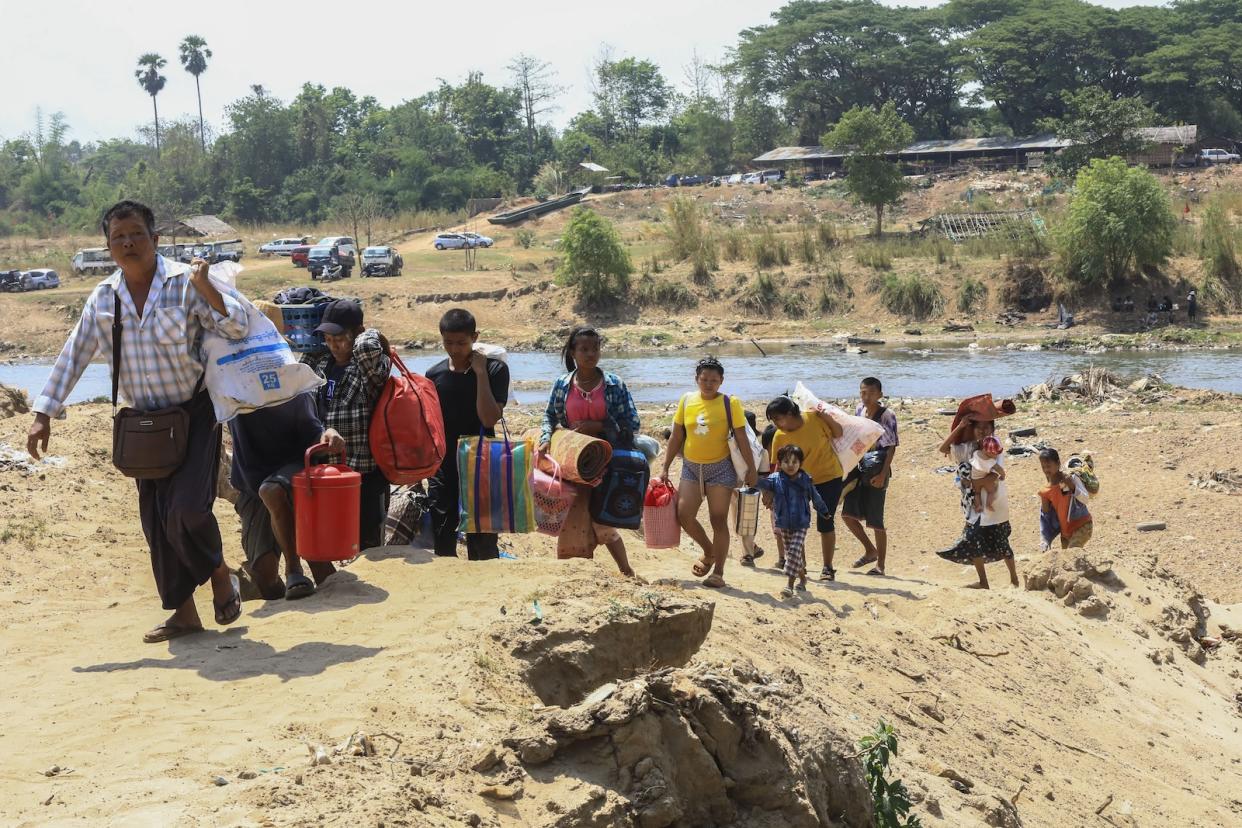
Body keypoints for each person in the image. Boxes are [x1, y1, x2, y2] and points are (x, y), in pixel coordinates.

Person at [27, 199, 249, 643]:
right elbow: (74, 354)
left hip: (194, 413)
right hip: (143, 425)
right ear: (108, 246)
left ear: (155, 239)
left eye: (136, 234)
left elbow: (240, 327)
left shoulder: (187, 283)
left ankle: (220, 572)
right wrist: (42, 413)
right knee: (157, 524)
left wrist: (210, 290)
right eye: (117, 237)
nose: (128, 243)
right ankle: (184, 615)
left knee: (186, 510)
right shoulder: (104, 297)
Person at [538, 325, 640, 576]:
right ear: (573, 352)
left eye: (595, 348)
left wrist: (602, 426)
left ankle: (626, 570)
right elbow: (549, 416)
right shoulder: (562, 384)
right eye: (584, 349)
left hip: (606, 463)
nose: (590, 354)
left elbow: (633, 422)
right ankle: (572, 575)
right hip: (572, 464)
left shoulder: (614, 384)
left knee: (601, 516)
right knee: (571, 518)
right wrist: (544, 439)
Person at [229, 394, 345, 600]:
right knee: (264, 574)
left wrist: (327, 434)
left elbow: (313, 431)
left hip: (294, 474)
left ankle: (294, 570)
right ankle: (285, 601)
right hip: (251, 484)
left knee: (272, 492)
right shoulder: (230, 389)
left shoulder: (293, 389)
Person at [658, 356, 757, 589]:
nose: (709, 383)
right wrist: (664, 466)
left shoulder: (730, 403)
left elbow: (742, 437)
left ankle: (719, 572)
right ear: (696, 379)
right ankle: (709, 551)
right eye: (704, 379)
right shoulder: (686, 401)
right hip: (691, 467)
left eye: (714, 379)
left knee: (718, 519)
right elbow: (677, 436)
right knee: (684, 515)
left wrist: (752, 469)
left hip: (721, 468)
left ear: (721, 381)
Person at [302, 299, 392, 552]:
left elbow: (366, 349)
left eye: (340, 338)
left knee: (367, 546)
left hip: (363, 474)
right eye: (328, 339)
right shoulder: (320, 364)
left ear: (358, 333)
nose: (333, 345)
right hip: (326, 472)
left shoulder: (369, 369)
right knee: (331, 539)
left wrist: (370, 333)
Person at [426, 308, 508, 560]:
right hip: (444, 461)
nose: (454, 349)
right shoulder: (434, 374)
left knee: (482, 532)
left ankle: (483, 585)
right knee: (442, 528)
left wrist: (480, 373)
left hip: (482, 461)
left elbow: (489, 418)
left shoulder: (495, 370)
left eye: (461, 343)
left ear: (475, 337)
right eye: (448, 343)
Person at [766, 395, 845, 581]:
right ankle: (800, 565)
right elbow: (778, 465)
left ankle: (827, 568)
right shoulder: (780, 435)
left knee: (825, 522)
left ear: (790, 413)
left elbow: (838, 432)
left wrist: (825, 416)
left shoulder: (814, 419)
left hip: (829, 477)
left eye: (778, 418)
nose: (775, 423)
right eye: (773, 420)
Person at [937, 413, 1018, 589]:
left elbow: (993, 478)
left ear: (993, 429)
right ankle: (983, 581)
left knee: (1002, 542)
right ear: (972, 429)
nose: (982, 431)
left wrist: (972, 483)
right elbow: (943, 449)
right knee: (973, 541)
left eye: (987, 427)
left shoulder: (994, 446)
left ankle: (1014, 579)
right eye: (978, 427)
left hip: (993, 502)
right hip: (972, 504)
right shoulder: (965, 447)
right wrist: (960, 426)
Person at [756, 444, 832, 599]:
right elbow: (761, 483)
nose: (790, 465)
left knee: (793, 551)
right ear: (779, 463)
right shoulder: (775, 479)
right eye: (786, 462)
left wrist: (823, 511)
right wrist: (752, 477)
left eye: (794, 462)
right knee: (794, 553)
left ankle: (789, 585)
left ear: (801, 463)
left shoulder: (805, 480)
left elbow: (815, 497)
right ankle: (803, 579)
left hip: (801, 523)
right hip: (783, 522)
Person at [843, 377, 899, 576]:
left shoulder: (887, 415)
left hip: (877, 468)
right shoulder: (859, 411)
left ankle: (881, 565)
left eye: (870, 393)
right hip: (860, 465)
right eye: (862, 393)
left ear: (879, 395)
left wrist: (883, 474)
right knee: (847, 515)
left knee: (876, 520)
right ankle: (870, 550)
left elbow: (891, 447)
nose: (865, 397)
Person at [1038, 448, 1093, 551]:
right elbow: (1045, 519)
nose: (1046, 470)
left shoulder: (1070, 478)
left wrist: (1073, 487)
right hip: (1066, 533)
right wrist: (1045, 541)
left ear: (1058, 464)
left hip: (1082, 526)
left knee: (1072, 555)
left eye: (1048, 466)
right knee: (1066, 561)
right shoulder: (1045, 492)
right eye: (1043, 467)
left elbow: (1085, 499)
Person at [737, 410, 768, 567]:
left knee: (743, 519)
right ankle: (751, 549)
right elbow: (764, 471)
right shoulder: (759, 446)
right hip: (747, 488)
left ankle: (748, 554)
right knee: (744, 519)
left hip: (740, 487)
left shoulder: (755, 446)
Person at [970, 436, 1006, 514]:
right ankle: (988, 504)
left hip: (975, 479)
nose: (996, 456)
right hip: (985, 479)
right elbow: (1000, 469)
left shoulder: (976, 453)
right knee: (991, 492)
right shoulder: (991, 462)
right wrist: (1003, 475)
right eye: (995, 454)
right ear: (989, 452)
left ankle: (978, 506)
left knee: (977, 493)